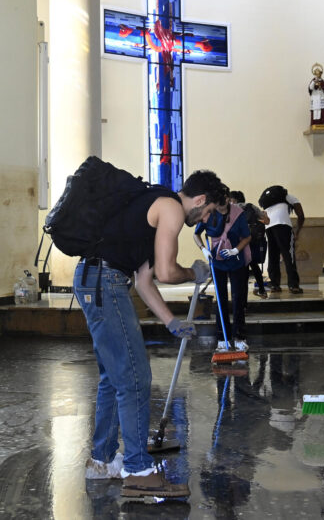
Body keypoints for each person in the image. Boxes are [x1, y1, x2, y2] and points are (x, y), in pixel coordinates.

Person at [76, 169, 228, 499]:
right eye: (210, 212)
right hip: (105, 281)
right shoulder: (171, 208)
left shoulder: (153, 208)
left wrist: (171, 321)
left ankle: (101, 462)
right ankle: (138, 469)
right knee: (134, 377)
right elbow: (165, 271)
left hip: (93, 278)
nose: (205, 219)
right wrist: (192, 272)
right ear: (201, 200)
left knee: (113, 378)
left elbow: (145, 281)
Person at [195, 198, 253, 352]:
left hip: (237, 260)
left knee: (238, 299)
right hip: (217, 260)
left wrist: (235, 250)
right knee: (220, 300)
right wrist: (203, 249)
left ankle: (240, 337)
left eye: (222, 201)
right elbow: (196, 234)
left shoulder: (237, 213)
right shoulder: (209, 213)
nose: (220, 206)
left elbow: (247, 236)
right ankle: (222, 339)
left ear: (226, 199)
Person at [264, 187, 305, 294]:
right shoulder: (290, 197)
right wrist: (297, 231)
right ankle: (293, 285)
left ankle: (274, 285)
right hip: (283, 225)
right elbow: (301, 215)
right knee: (288, 254)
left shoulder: (270, 201)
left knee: (273, 255)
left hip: (268, 226)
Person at [229, 190, 270, 297]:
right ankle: (262, 290)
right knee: (253, 265)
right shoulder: (251, 207)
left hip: (238, 243)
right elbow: (267, 221)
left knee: (242, 270)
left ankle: (243, 302)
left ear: (234, 199)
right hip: (253, 240)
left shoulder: (230, 209)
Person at [308, 62, 324, 128]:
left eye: (319, 73)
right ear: (315, 74)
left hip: (321, 97)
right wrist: (314, 81)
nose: (319, 75)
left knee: (322, 110)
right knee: (315, 110)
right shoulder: (313, 81)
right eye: (317, 73)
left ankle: (322, 123)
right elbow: (310, 88)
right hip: (315, 97)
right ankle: (314, 123)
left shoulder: (322, 81)